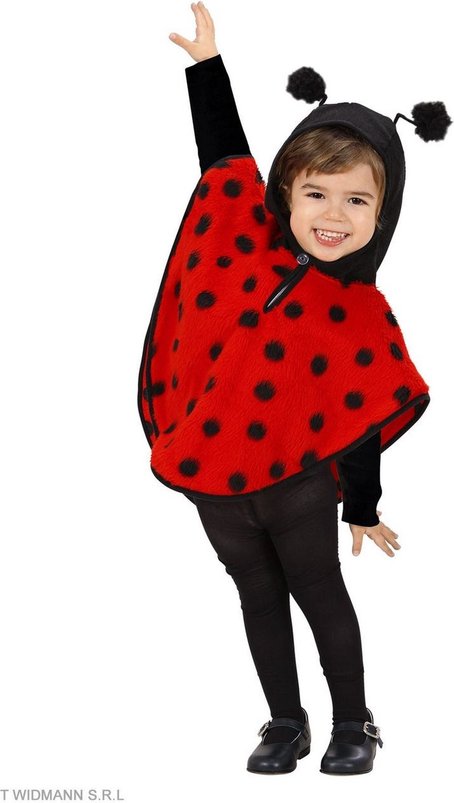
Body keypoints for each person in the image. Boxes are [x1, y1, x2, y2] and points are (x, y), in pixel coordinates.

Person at [138, 1, 448, 776]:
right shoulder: (244, 236)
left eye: (357, 200)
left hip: (298, 484)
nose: (333, 215)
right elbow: (224, 159)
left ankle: (354, 721)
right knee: (255, 594)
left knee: (320, 593)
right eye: (317, 193)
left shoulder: (364, 313)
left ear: (383, 213)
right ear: (286, 192)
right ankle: (285, 721)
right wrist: (208, 69)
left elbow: (364, 414)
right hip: (212, 476)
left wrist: (363, 506)